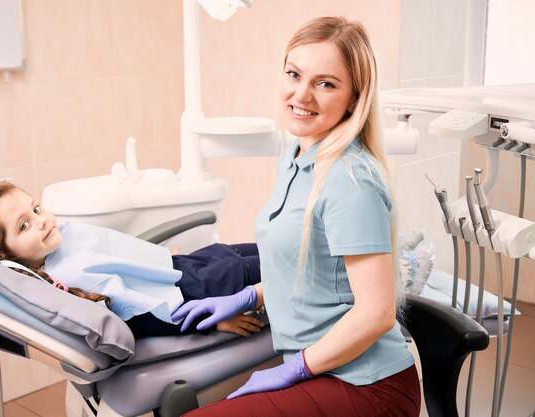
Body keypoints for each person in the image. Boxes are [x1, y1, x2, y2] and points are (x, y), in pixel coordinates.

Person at [173, 16, 421, 416]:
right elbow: (312, 270)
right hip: (323, 368)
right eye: (294, 74)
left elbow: (376, 313)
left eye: (325, 83)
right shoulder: (297, 155)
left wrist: (295, 369)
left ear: (354, 98)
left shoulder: (349, 178)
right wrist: (249, 295)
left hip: (369, 386)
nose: (301, 94)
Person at [0, 181, 265, 338]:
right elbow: (146, 317)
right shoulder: (73, 278)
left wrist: (151, 263)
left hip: (199, 263)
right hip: (213, 285)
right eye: (23, 226)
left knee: (281, 247)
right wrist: (214, 323)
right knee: (297, 261)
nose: (40, 221)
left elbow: (117, 256)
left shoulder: (61, 244)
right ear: (7, 253)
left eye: (36, 209)